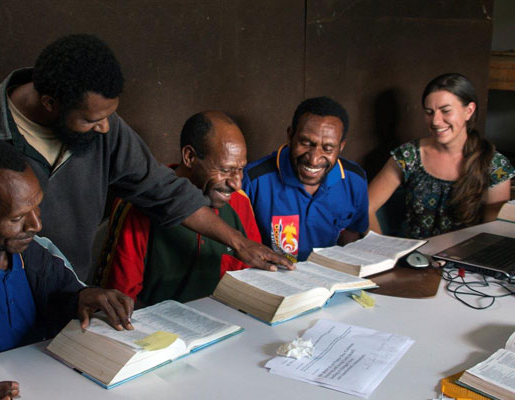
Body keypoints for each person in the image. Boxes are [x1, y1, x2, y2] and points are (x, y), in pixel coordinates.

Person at [0, 34, 292, 281]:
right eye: (92, 120)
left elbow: (164, 191)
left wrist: (239, 243)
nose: (105, 129)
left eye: (109, 116)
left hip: (69, 291)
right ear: (51, 104)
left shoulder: (102, 121)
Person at [0, 139, 135, 400]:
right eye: (17, 217)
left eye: (37, 207)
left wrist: (81, 298)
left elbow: (62, 296)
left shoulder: (38, 253)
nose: (36, 225)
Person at [94, 111, 261, 306]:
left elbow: (247, 279)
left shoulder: (239, 202)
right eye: (224, 170)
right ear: (189, 157)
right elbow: (120, 299)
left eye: (240, 169)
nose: (236, 184)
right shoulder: (138, 205)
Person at [368, 73, 514, 239]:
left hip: (463, 260)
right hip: (411, 259)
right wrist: (382, 252)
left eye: (445, 111)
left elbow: (493, 233)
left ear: (469, 111)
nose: (436, 121)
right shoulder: (409, 155)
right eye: (429, 112)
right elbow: (366, 207)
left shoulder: (494, 165)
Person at [243, 97, 368, 262]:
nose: (314, 159)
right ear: (290, 136)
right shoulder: (253, 180)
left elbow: (352, 236)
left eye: (327, 148)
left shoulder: (354, 180)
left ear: (341, 146)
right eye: (306, 143)